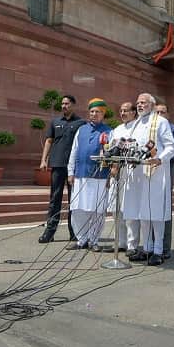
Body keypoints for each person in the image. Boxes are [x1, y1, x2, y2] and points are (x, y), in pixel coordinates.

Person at [122, 93, 174, 266]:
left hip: (156, 173)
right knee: (143, 213)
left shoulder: (161, 122)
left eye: (143, 102)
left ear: (152, 105)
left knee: (156, 214)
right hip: (138, 175)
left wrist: (160, 159)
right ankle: (147, 248)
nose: (139, 105)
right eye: (137, 103)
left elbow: (171, 147)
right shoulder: (136, 123)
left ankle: (158, 250)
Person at [66, 98, 113, 250]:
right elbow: (73, 151)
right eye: (92, 111)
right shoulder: (81, 130)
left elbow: (111, 156)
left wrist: (110, 176)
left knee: (96, 210)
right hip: (80, 176)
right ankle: (81, 239)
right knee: (78, 209)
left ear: (103, 114)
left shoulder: (109, 132)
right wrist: (70, 172)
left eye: (97, 112)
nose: (94, 114)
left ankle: (94, 240)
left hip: (99, 177)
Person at [38, 94, 84, 243]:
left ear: (73, 105)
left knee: (74, 200)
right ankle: (49, 232)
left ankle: (74, 232)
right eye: (62, 104)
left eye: (67, 103)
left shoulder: (81, 123)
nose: (64, 106)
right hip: (57, 164)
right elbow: (49, 141)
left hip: (74, 168)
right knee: (55, 198)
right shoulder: (55, 122)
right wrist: (43, 160)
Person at [156, 102, 174, 260]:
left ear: (168, 114)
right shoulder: (150, 127)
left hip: (167, 169)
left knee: (164, 209)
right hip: (149, 171)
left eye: (163, 112)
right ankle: (151, 245)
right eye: (157, 112)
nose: (159, 115)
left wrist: (159, 159)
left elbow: (173, 153)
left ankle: (165, 247)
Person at [107, 101, 135, 252]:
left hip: (131, 172)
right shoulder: (117, 129)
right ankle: (120, 242)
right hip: (116, 172)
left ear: (133, 112)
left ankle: (132, 244)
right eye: (121, 111)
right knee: (116, 208)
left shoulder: (137, 128)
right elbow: (111, 149)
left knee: (128, 209)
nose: (123, 113)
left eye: (126, 111)